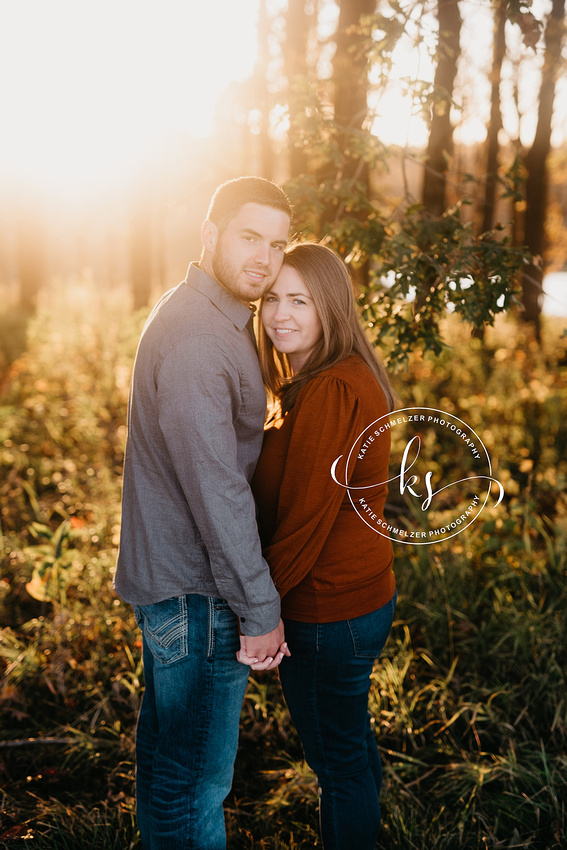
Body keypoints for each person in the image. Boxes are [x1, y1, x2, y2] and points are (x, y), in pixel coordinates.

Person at [114, 176, 292, 850]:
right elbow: (216, 490)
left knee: (170, 770)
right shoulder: (198, 339)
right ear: (210, 235)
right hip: (199, 596)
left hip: (182, 587)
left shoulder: (213, 317)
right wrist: (259, 607)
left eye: (277, 245)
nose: (264, 258)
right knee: (192, 788)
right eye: (250, 237)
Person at [243, 241, 398, 849]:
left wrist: (261, 609)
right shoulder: (329, 378)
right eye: (272, 298)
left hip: (327, 611)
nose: (281, 313)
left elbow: (305, 522)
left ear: (330, 307)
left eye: (299, 301)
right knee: (349, 740)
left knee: (337, 764)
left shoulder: (332, 388)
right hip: (359, 601)